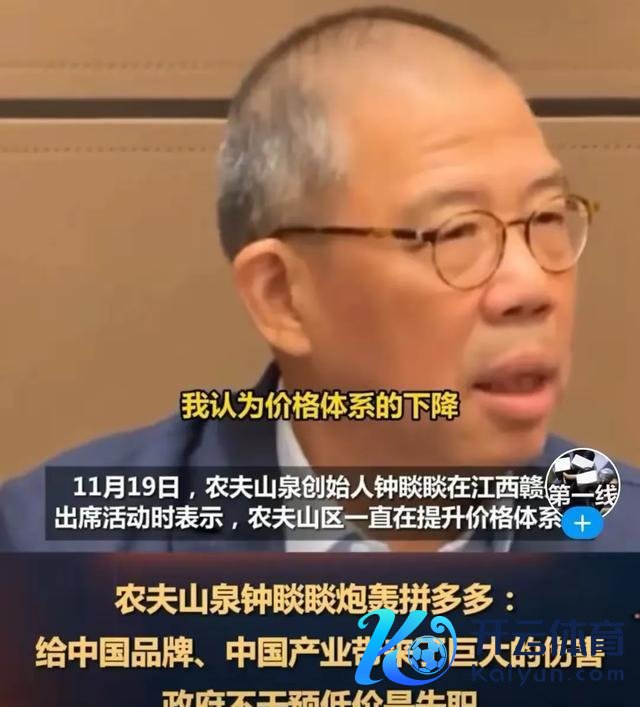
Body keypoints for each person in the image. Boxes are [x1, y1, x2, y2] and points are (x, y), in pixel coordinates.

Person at [1, 6, 638, 551]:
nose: (531, 287)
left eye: (546, 218)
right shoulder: (50, 557)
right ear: (282, 297)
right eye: (455, 233)